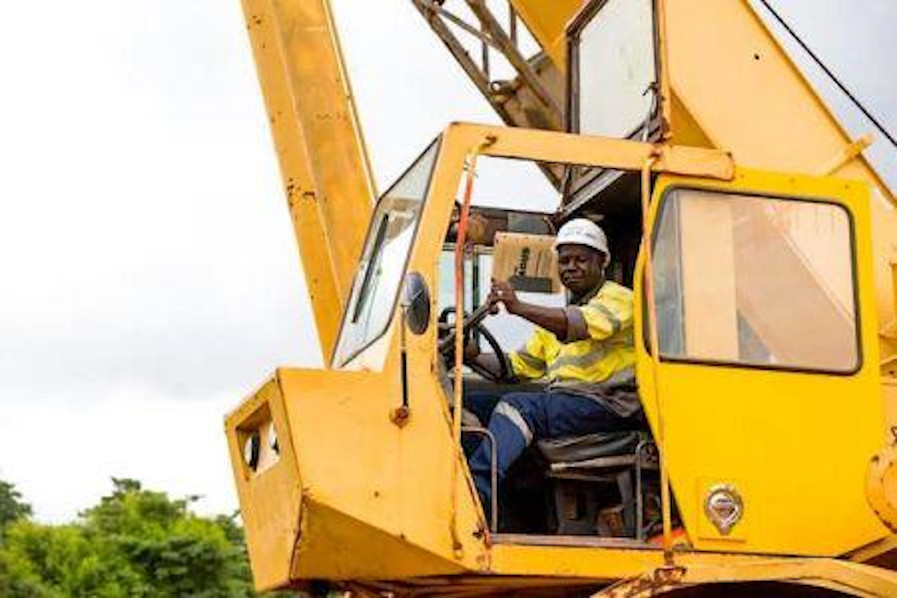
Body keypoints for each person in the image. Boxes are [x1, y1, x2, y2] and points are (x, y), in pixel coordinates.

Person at [464, 218, 641, 519]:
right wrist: (471, 355)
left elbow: (577, 325)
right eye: (565, 260)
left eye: (581, 260)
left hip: (609, 403)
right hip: (568, 404)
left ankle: (475, 495)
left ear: (603, 262)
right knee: (467, 404)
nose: (571, 267)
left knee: (519, 407)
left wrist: (518, 307)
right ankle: (487, 501)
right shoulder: (551, 324)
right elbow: (513, 368)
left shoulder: (620, 299)